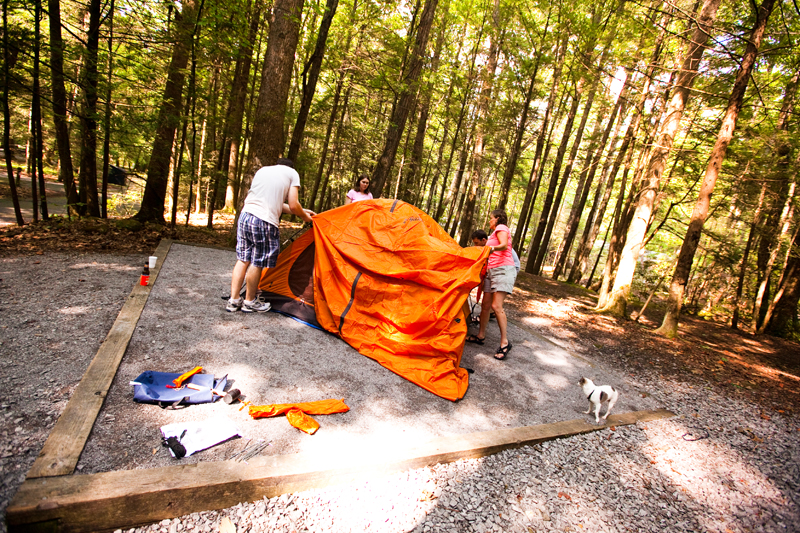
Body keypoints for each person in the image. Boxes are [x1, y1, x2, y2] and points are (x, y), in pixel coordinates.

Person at [227, 158, 315, 313]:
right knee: (257, 261)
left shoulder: (263, 170)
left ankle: (233, 301)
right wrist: (305, 217)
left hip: (245, 216)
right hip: (264, 221)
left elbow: (276, 203)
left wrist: (304, 210)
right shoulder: (292, 173)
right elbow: (294, 204)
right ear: (291, 168)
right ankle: (250, 302)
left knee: (243, 259)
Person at [466, 209, 516, 359]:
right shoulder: (493, 234)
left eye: (492, 218)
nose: (489, 221)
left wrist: (487, 249)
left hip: (503, 269)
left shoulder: (501, 228)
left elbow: (504, 246)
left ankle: (505, 343)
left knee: (496, 306)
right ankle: (481, 335)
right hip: (491, 272)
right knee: (486, 305)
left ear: (498, 218)